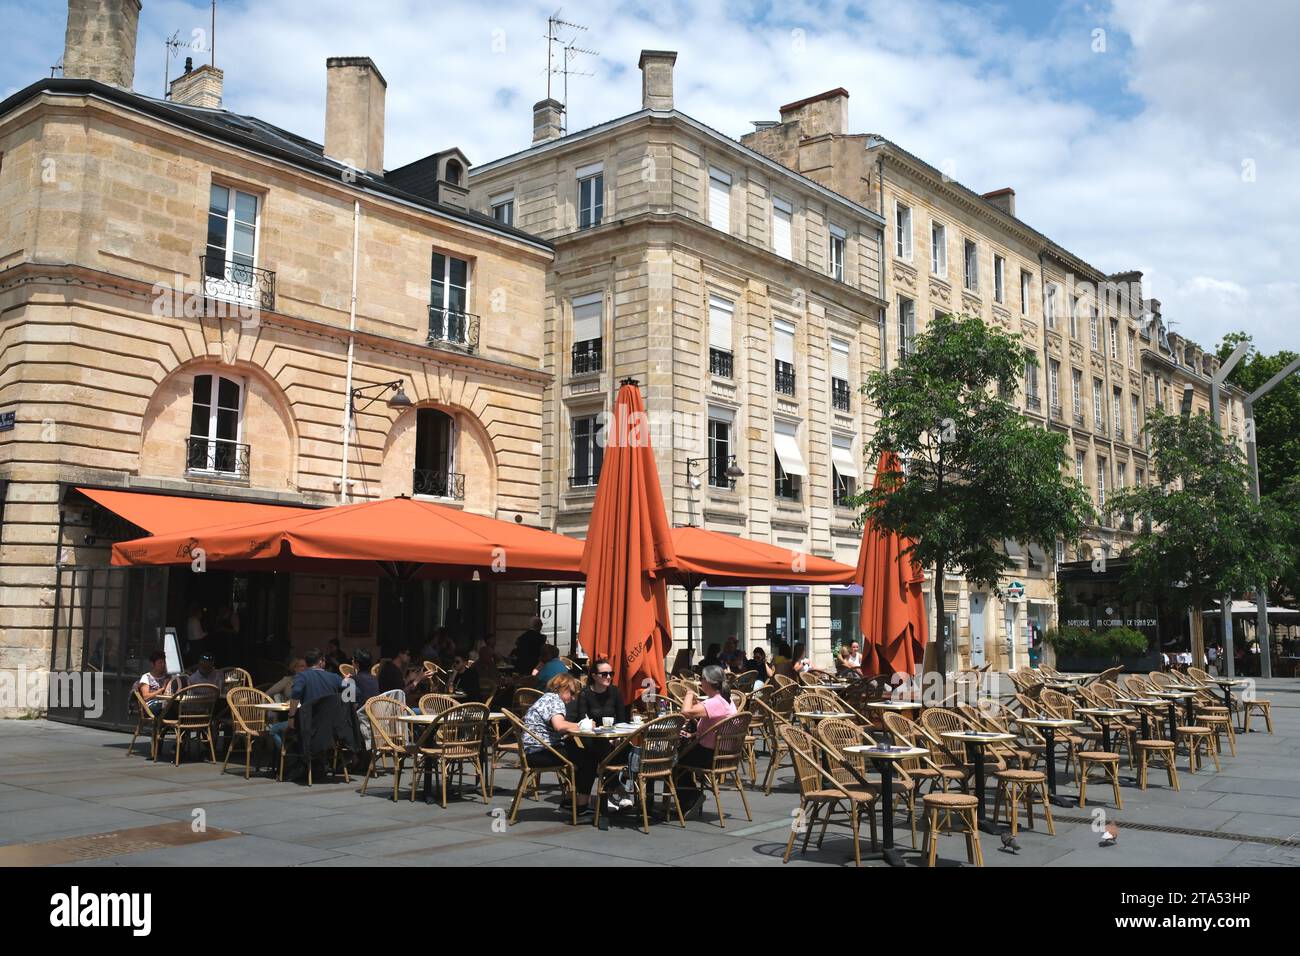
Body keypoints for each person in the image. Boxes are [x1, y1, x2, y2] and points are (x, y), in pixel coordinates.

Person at [520, 673, 596, 816]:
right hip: (541, 753)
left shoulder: (546, 698)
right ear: (562, 687)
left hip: (531, 751)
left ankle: (570, 801)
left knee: (578, 754)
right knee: (589, 759)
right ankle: (581, 807)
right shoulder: (555, 701)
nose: (573, 698)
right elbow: (559, 726)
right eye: (571, 693)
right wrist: (583, 725)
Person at [673, 664, 737, 818]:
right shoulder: (725, 699)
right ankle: (688, 798)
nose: (700, 681)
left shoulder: (715, 702)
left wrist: (688, 695)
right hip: (722, 752)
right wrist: (693, 735)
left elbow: (686, 712)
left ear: (708, 681)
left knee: (673, 761)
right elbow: (712, 728)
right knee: (678, 753)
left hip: (710, 756)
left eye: (701, 678)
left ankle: (690, 799)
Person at [267, 649, 344, 754]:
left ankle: (289, 758)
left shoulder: (302, 677)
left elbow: (295, 696)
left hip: (307, 724)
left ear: (307, 663)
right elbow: (354, 690)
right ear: (321, 661)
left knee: (274, 729)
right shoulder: (335, 677)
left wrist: (291, 717)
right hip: (330, 726)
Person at [136, 650, 177, 715]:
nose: (163, 665)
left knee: (178, 708)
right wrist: (162, 688)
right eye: (160, 663)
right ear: (153, 664)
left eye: (164, 662)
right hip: (152, 705)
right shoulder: (146, 677)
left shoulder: (168, 677)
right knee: (168, 709)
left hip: (166, 703)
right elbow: (146, 697)